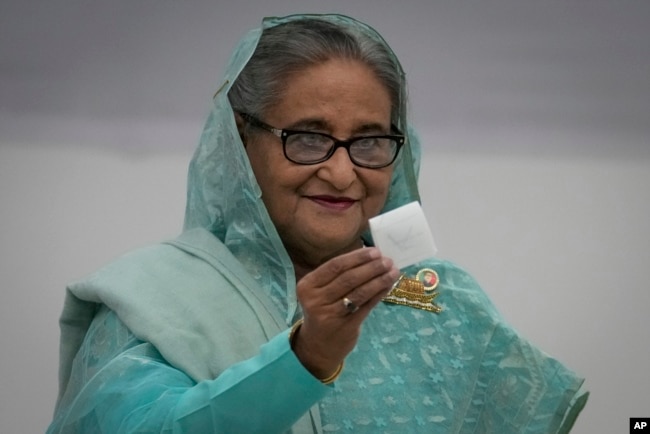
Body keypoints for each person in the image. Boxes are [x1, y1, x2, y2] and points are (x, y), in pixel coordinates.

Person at [47, 14, 588, 433]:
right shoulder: (155, 300)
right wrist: (305, 358)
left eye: (370, 140)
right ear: (241, 142)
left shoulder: (438, 300)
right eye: (308, 136)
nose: (342, 171)